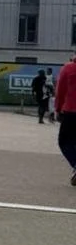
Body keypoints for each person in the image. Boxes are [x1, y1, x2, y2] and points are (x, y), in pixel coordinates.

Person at [54, 53, 76, 185]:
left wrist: (57, 109)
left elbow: (60, 91)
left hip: (71, 112)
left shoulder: (68, 68)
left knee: (64, 142)